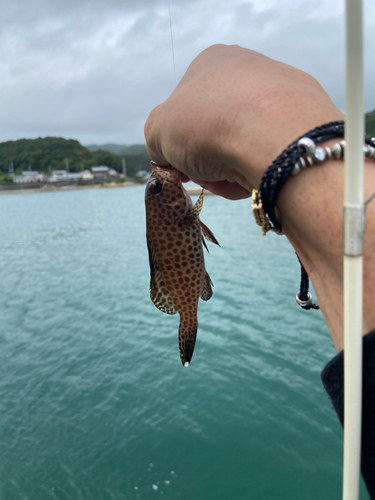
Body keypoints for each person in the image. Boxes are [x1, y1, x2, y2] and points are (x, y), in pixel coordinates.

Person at [144, 44, 375, 497]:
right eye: (156, 191)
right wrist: (281, 129)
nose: (159, 186)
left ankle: (187, 336)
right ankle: (188, 329)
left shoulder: (181, 211)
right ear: (170, 205)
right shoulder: (183, 212)